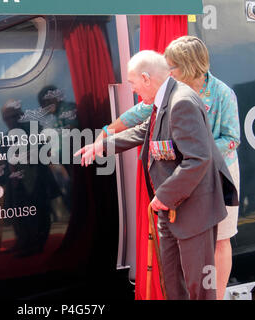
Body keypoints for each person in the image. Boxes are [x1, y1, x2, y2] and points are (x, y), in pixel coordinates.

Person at [75, 50, 239, 300]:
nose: (132, 89)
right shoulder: (164, 98)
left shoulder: (181, 101)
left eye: (132, 83)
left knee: (200, 286)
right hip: (172, 210)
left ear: (146, 78)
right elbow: (146, 130)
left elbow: (198, 159)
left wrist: (164, 195)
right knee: (172, 280)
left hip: (193, 209)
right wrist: (103, 145)